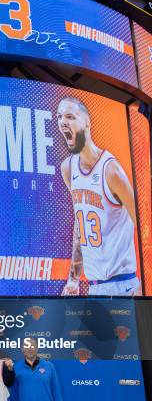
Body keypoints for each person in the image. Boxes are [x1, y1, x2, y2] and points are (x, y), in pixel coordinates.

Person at [58, 96, 139, 296]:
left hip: (124, 284)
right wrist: (74, 279)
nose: (62, 122)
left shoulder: (111, 171)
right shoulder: (68, 168)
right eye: (59, 117)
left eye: (70, 116)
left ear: (87, 122)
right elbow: (81, 223)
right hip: (95, 287)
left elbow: (145, 230)